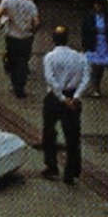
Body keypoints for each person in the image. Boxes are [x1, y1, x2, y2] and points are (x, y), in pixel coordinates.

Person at [41, 27, 90, 185]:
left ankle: (51, 165)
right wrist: (75, 97)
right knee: (73, 136)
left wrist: (62, 98)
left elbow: (50, 79)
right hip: (73, 96)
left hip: (55, 98)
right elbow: (86, 78)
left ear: (53, 39)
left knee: (49, 131)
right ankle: (72, 171)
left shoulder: (50, 57)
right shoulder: (79, 57)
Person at [0, 0, 41, 98]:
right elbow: (36, 22)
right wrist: (33, 31)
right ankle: (20, 86)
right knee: (23, 61)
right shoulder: (30, 4)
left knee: (13, 61)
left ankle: (15, 83)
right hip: (26, 37)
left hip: (12, 36)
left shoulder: (8, 1)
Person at [81, 0, 108, 98]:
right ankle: (90, 86)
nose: (97, 7)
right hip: (94, 43)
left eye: (99, 5)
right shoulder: (90, 15)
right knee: (93, 66)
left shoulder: (107, 16)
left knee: (100, 66)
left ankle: (96, 86)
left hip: (104, 43)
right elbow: (86, 29)